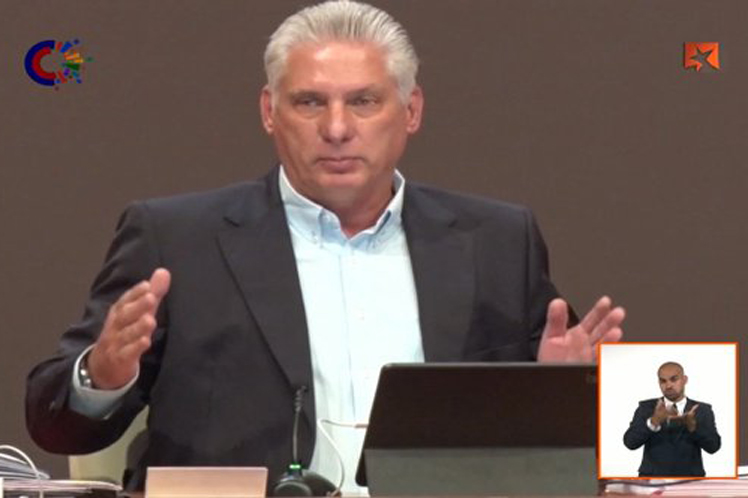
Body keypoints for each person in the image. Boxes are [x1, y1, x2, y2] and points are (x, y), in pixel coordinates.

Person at [26, 0, 625, 493]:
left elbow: (561, 442)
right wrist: (102, 374)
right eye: (310, 102)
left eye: (363, 101)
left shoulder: (496, 241)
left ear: (411, 111)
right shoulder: (177, 238)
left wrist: (561, 393)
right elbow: (54, 426)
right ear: (270, 111)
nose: (337, 129)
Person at [623, 362, 721, 477]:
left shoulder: (702, 409)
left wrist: (693, 428)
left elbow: (713, 447)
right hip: (652, 480)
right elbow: (630, 443)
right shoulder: (646, 408)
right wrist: (654, 422)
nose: (668, 386)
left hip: (690, 480)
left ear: (684, 380)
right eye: (663, 381)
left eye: (674, 379)